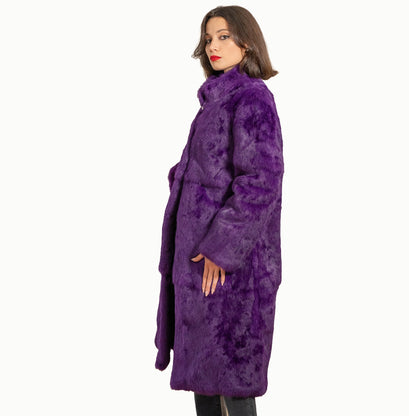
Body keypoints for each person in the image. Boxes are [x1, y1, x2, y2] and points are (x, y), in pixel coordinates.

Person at [154, 5, 284, 416]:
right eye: (209, 38)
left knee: (232, 381)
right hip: (199, 263)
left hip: (231, 270)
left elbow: (261, 180)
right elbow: (216, 168)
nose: (213, 45)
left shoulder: (252, 98)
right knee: (205, 381)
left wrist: (221, 250)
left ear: (247, 42)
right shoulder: (214, 102)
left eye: (224, 36)